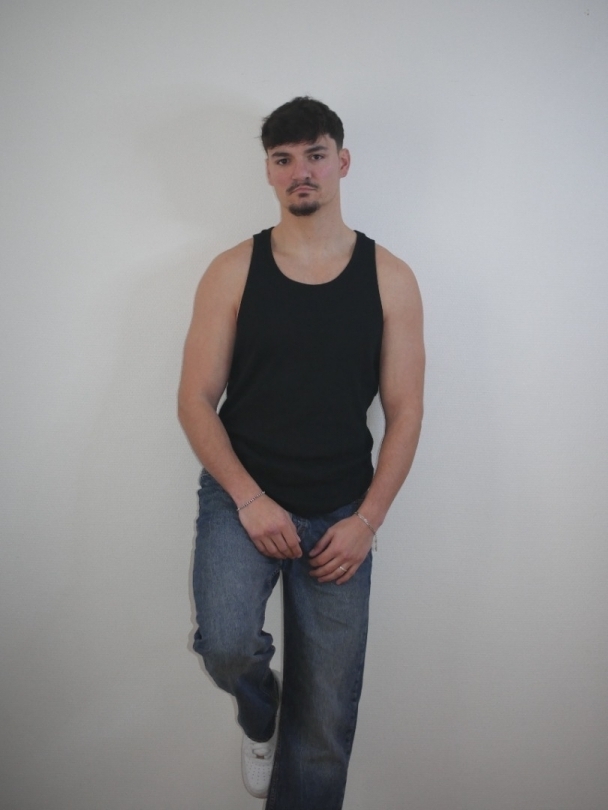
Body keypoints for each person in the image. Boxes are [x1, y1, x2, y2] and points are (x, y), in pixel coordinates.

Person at [178, 97, 424, 809]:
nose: (300, 172)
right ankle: (262, 715)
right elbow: (194, 400)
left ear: (341, 162)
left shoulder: (390, 277)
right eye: (283, 159)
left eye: (315, 155)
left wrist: (367, 521)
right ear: (269, 172)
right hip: (242, 496)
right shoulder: (232, 270)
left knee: (325, 721)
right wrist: (250, 499)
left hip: (342, 511)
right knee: (226, 646)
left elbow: (406, 412)